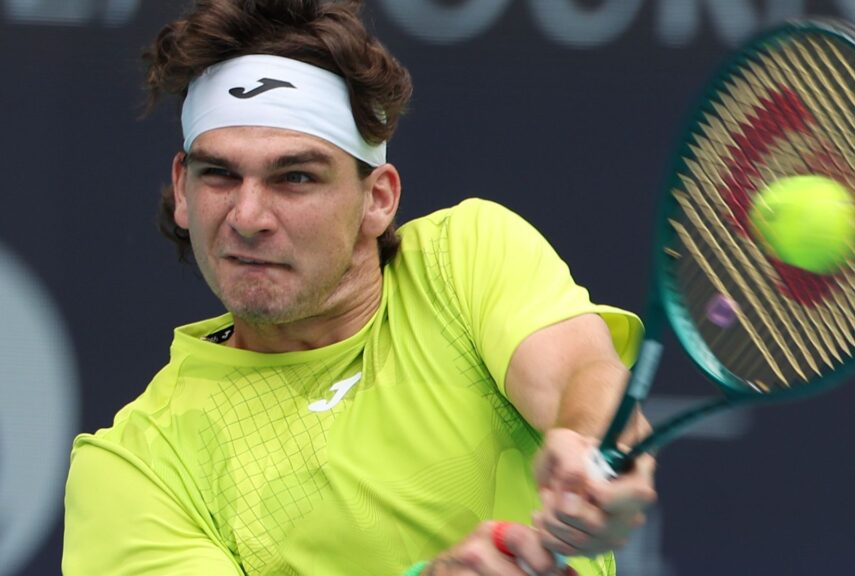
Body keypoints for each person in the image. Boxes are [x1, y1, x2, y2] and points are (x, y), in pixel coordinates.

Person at [62, 1, 656, 574]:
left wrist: (588, 447)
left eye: (295, 177)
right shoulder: (135, 466)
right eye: (219, 174)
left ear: (378, 199)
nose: (247, 216)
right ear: (182, 189)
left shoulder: (464, 258)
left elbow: (582, 374)